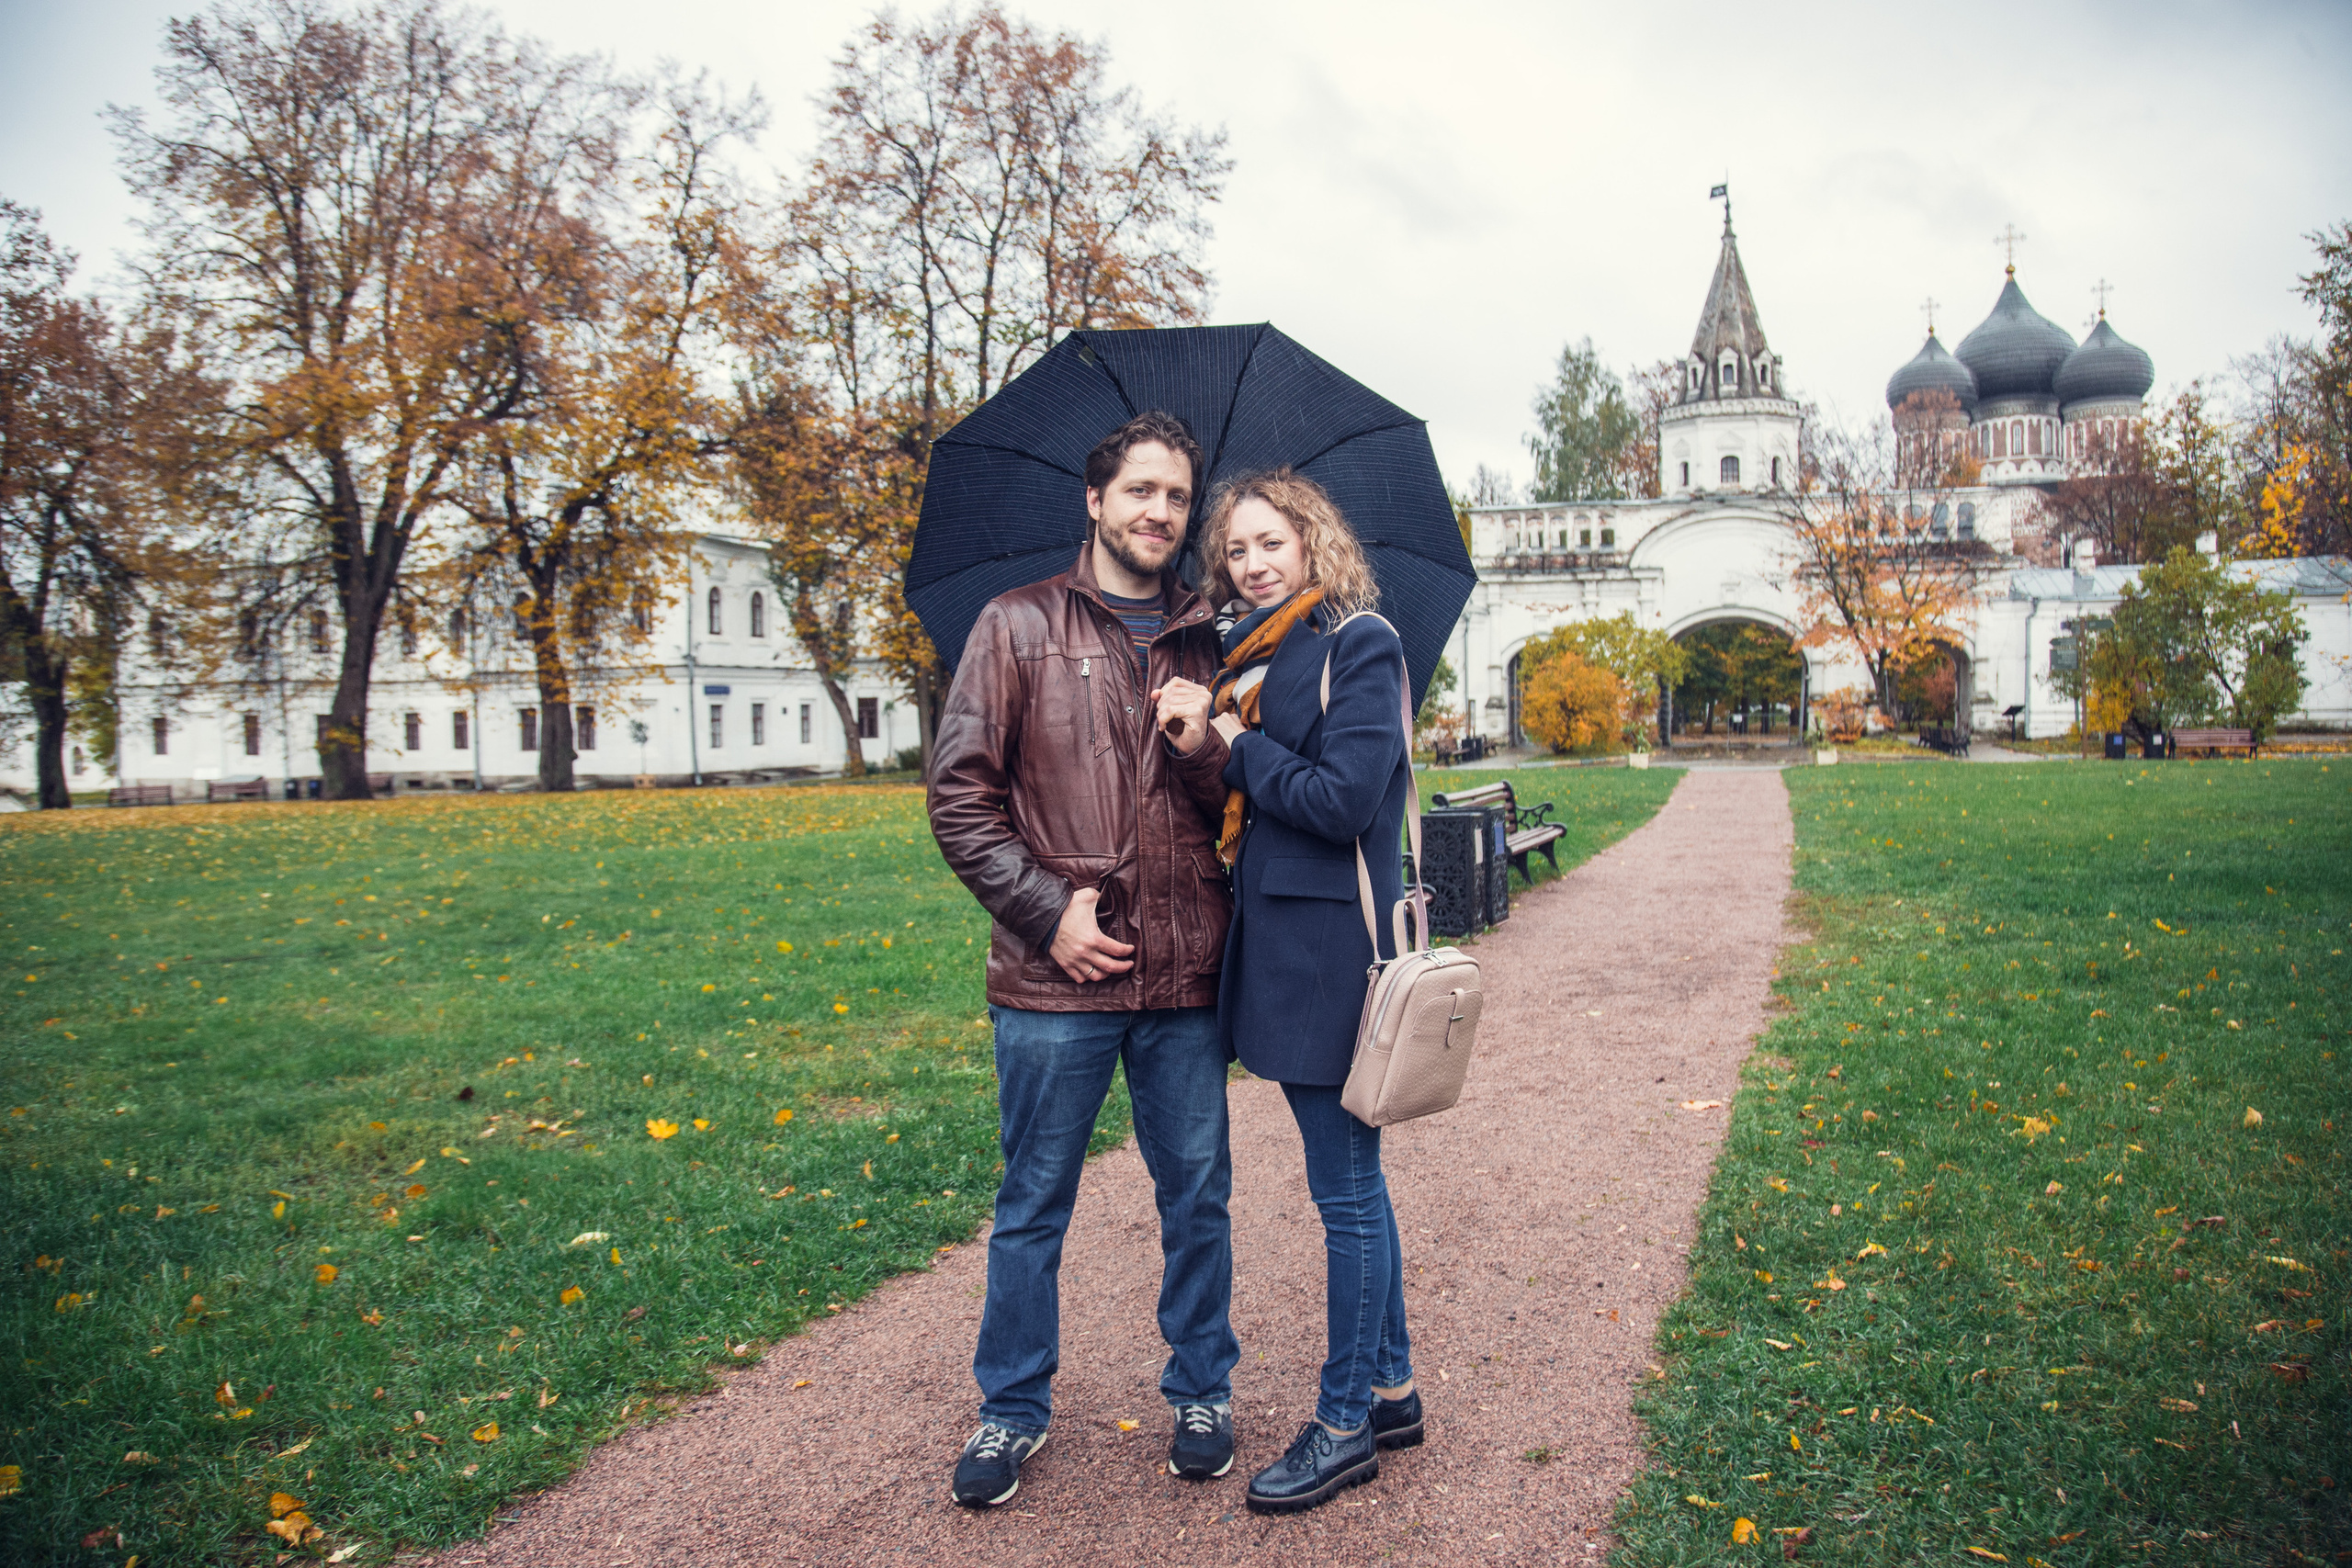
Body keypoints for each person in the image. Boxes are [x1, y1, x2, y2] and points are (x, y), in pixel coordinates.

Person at [928, 411, 1241, 1507]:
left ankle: (1203, 1388)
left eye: (1177, 498)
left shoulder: (1216, 642)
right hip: (1053, 978)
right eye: (1141, 491)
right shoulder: (1014, 628)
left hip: (1186, 974)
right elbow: (958, 801)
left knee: (1197, 1197)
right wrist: (1047, 910)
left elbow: (1235, 812)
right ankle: (1011, 1409)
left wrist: (1204, 742)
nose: (1162, 512)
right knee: (1032, 1204)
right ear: (1096, 501)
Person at [1155, 468, 1422, 1517]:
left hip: (1330, 959)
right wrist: (1205, 742)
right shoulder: (1245, 664)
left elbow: (1345, 800)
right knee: (1355, 1184)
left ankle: (1345, 1419)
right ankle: (1392, 1390)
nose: (1252, 563)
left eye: (1272, 543)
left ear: (1312, 542)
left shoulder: (1361, 646)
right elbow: (1254, 797)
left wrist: (1235, 744)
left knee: (1345, 1196)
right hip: (1278, 950)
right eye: (1237, 551)